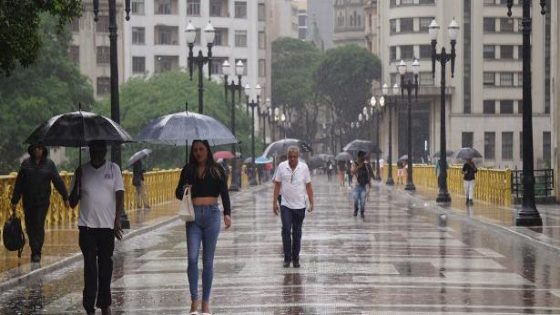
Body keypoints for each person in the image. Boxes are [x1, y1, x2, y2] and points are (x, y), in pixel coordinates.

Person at [175, 140, 232, 315]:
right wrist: (185, 188)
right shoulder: (188, 170)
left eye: (201, 149)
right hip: (193, 217)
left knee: (208, 261)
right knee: (192, 259)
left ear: (207, 150)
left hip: (212, 216)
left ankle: (205, 304)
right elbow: (177, 193)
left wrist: (227, 213)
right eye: (195, 150)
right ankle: (194, 301)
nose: (198, 153)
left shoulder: (217, 170)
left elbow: (224, 193)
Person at [69, 140, 124, 315]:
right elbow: (71, 203)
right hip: (86, 228)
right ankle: (88, 305)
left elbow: (120, 194)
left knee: (106, 267)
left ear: (105, 152)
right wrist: (77, 183)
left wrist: (117, 221)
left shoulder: (113, 169)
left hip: (107, 227)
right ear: (90, 152)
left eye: (101, 151)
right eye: (94, 151)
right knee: (90, 267)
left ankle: (104, 302)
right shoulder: (81, 171)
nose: (98, 154)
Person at [11, 143, 69, 263]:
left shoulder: (49, 164)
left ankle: (36, 252)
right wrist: (14, 200)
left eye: (41, 148)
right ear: (32, 149)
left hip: (42, 201)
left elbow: (57, 181)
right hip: (28, 200)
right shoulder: (26, 164)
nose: (38, 150)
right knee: (30, 226)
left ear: (44, 150)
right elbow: (19, 184)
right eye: (36, 148)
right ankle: (34, 246)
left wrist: (65, 196)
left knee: (38, 224)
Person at [273, 146, 314, 268]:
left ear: (298, 157)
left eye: (294, 157)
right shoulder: (281, 167)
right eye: (290, 157)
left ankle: (296, 258)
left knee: (297, 233)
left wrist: (312, 202)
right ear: (287, 157)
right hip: (285, 204)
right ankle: (287, 258)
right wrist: (274, 202)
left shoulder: (304, 168)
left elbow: (308, 186)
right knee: (286, 230)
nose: (292, 159)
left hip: (300, 205)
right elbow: (277, 185)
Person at [351, 151, 371, 218]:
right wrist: (359, 167)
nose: (363, 157)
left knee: (363, 201)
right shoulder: (354, 163)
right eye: (363, 156)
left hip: (363, 186)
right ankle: (356, 210)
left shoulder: (366, 164)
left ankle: (362, 212)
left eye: (364, 156)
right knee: (356, 200)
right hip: (356, 186)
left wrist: (369, 183)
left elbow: (368, 174)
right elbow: (352, 172)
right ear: (359, 156)